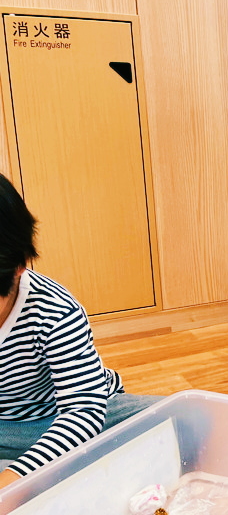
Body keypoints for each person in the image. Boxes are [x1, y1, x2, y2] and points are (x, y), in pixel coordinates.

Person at [0, 174, 161, 487]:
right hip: (6, 429)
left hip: (62, 414)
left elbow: (84, 410)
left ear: (18, 267)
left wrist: (13, 482)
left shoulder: (55, 311)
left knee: (180, 419)